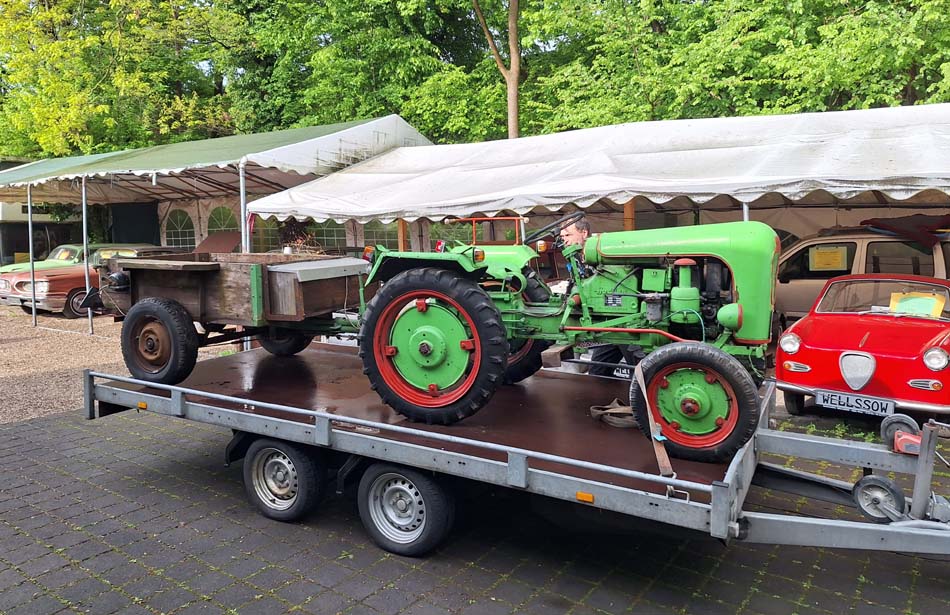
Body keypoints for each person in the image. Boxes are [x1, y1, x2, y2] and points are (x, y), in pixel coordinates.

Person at [557, 216, 638, 377]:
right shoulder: (576, 257)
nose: (564, 240)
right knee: (598, 371)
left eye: (568, 235)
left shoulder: (604, 251)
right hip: (608, 325)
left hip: (626, 322)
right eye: (562, 236)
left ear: (584, 233)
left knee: (640, 371)